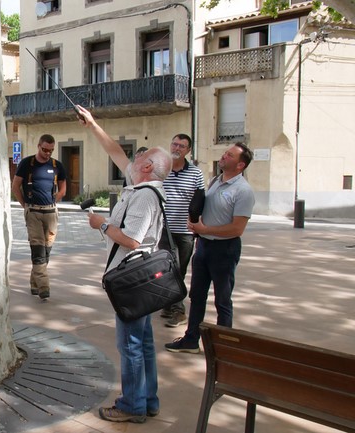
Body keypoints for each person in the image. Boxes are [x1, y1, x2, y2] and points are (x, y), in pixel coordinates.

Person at [77, 105, 172, 423]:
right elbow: (115, 151)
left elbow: (132, 240)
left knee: (130, 343)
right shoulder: (144, 185)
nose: (134, 160)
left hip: (133, 280)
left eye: (141, 157)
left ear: (147, 166)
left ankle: (132, 405)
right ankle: (148, 399)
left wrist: (101, 225)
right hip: (141, 278)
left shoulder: (146, 195)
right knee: (143, 342)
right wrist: (92, 124)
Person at [165, 142, 255, 354]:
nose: (223, 156)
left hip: (224, 250)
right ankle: (191, 340)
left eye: (229, 155)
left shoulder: (243, 191)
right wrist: (196, 223)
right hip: (203, 246)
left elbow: (237, 228)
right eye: (225, 153)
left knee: (222, 299)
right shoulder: (215, 180)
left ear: (240, 165)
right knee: (197, 296)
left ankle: (224, 347)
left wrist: (205, 228)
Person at [11, 134, 67, 299]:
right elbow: (15, 186)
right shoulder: (27, 163)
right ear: (38, 146)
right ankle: (43, 286)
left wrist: (53, 201)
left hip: (51, 213)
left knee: (46, 251)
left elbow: (63, 189)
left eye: (51, 150)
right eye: (44, 150)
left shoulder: (57, 165)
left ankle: (34, 283)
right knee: (37, 249)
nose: (48, 153)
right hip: (33, 212)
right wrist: (25, 205)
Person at [158, 134, 205, 327]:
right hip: (163, 230)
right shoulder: (161, 170)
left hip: (185, 231)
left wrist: (195, 222)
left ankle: (173, 307)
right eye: (174, 144)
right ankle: (175, 308)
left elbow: (200, 199)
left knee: (180, 269)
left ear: (188, 150)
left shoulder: (196, 174)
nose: (176, 148)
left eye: (181, 146)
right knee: (168, 268)